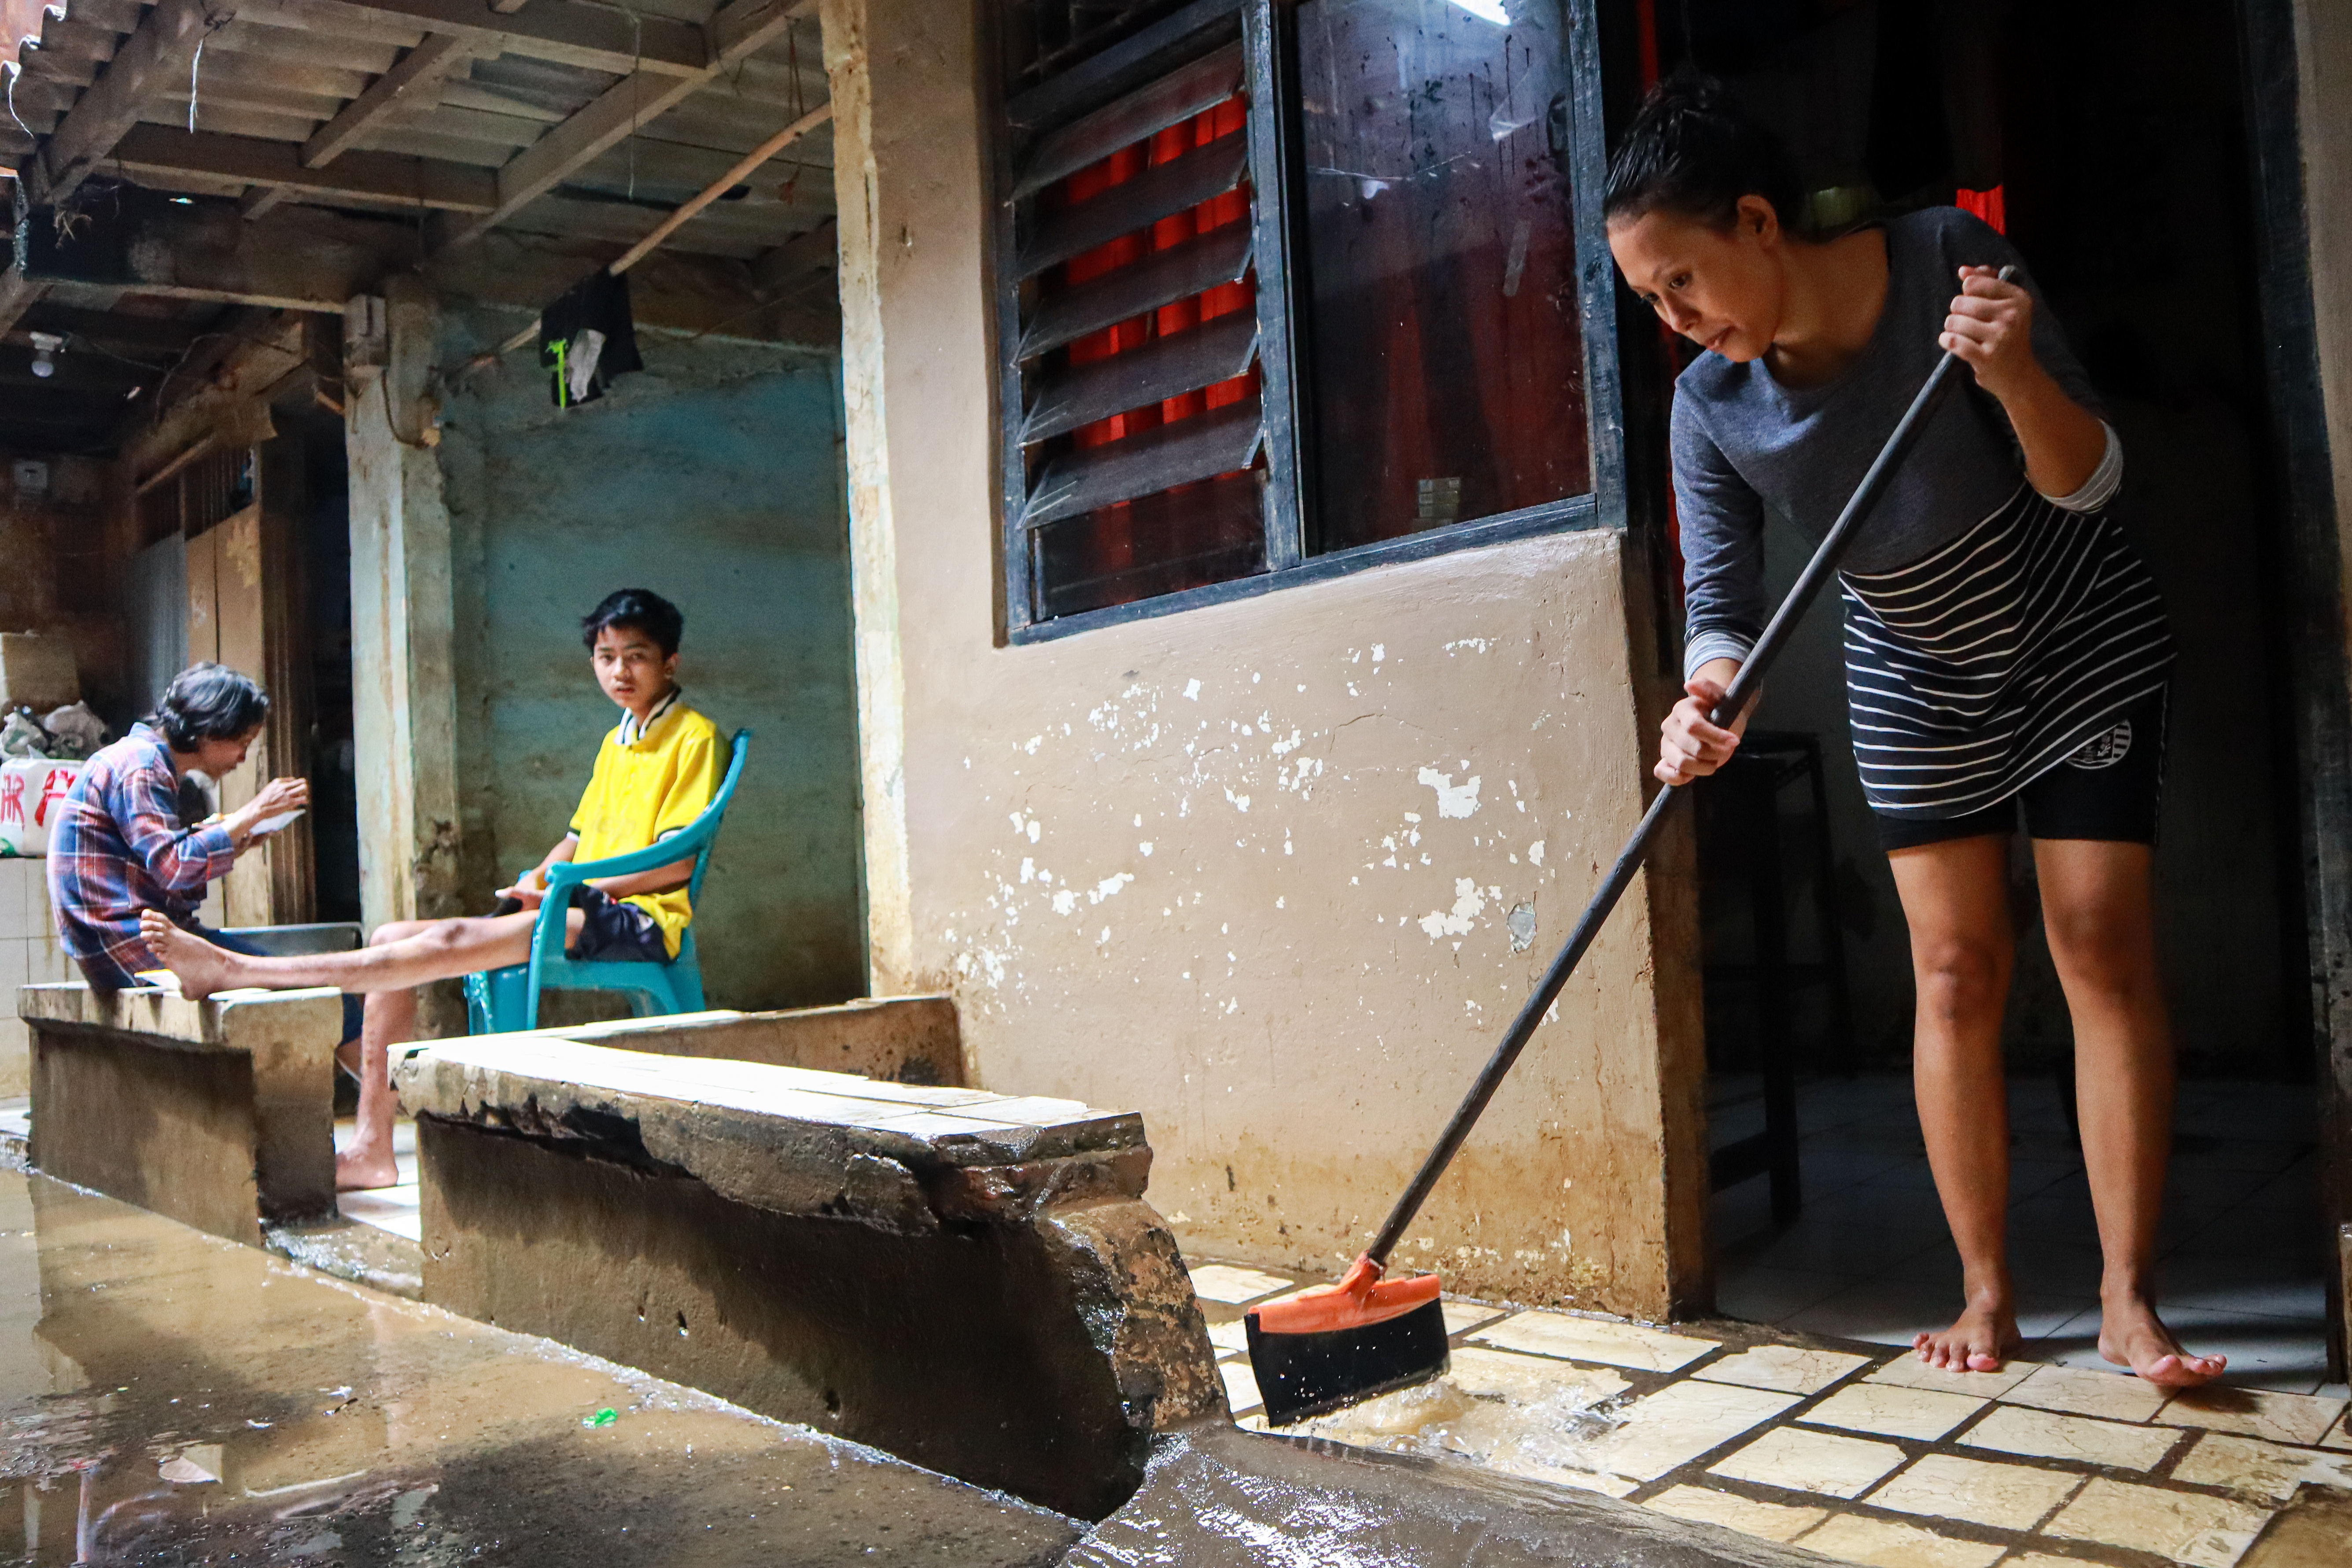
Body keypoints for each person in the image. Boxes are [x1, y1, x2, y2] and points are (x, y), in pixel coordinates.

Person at [1604, 76, 2217, 1386]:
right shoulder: (1707, 407)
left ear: (1759, 221)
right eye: (1648, 300)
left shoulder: (1946, 257)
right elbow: (1724, 609)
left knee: (2097, 946)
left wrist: (2005, 377)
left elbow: (2088, 477)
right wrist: (1709, 693)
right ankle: (1984, 1293)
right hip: (1911, 670)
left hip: (2072, 629)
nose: (1674, 320)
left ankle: (2126, 1297)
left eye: (1682, 280)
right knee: (1951, 973)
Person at [141, 590, 723, 1191]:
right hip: (579, 904)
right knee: (394, 936)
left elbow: (673, 865)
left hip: (638, 919)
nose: (619, 671)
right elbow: (574, 839)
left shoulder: (694, 737)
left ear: (670, 662)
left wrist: (570, 891)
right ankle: (372, 1147)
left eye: (637, 656)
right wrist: (538, 879)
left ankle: (234, 970)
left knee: (448, 935)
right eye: (606, 657)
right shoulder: (618, 740)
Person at [48, 662, 340, 1010]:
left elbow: (164, 868)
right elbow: (174, 867)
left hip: (122, 941)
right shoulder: (141, 765)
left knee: (310, 981)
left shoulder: (144, 761)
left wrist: (237, 839)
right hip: (125, 943)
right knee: (322, 995)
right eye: (241, 742)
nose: (243, 758)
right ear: (210, 730)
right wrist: (254, 812)